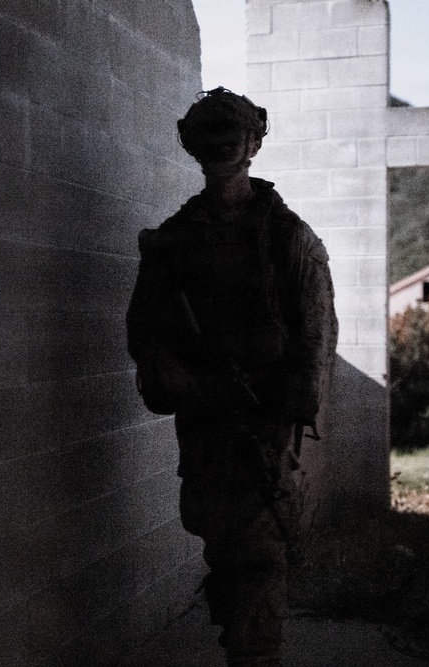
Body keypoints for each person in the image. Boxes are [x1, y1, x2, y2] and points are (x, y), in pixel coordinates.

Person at [126, 87, 338, 667]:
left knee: (261, 552)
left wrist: (292, 399)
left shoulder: (287, 236)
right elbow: (146, 333)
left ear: (253, 144)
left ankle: (254, 653)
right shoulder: (173, 240)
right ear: (193, 145)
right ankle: (243, 641)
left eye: (233, 135)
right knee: (222, 544)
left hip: (265, 421)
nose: (222, 147)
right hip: (207, 422)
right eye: (210, 136)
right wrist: (188, 383)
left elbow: (316, 331)